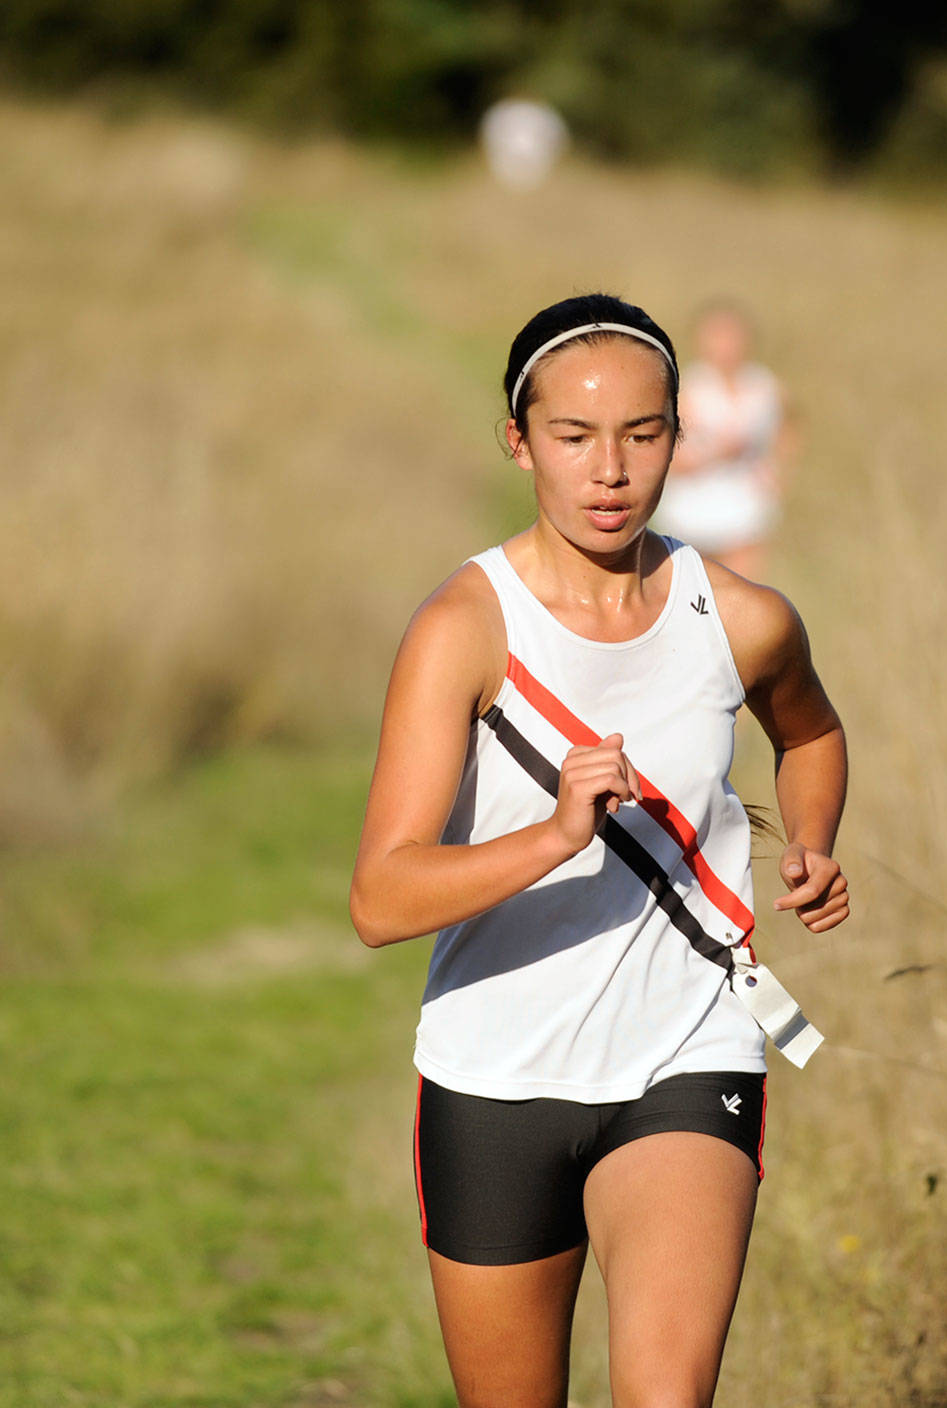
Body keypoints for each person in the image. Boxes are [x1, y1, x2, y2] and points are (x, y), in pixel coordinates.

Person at [350, 292, 848, 1408]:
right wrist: (554, 834)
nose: (610, 470)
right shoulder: (464, 628)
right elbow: (380, 897)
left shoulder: (741, 615)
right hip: (496, 1072)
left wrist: (809, 838)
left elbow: (810, 730)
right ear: (519, 441)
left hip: (689, 1047)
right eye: (574, 437)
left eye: (642, 434)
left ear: (679, 434)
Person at [653, 301, 796, 580]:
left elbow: (789, 424)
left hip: (746, 508)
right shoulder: (687, 391)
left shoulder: (763, 386)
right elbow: (667, 457)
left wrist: (779, 472)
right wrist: (718, 454)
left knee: (746, 592)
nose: (726, 346)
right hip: (692, 511)